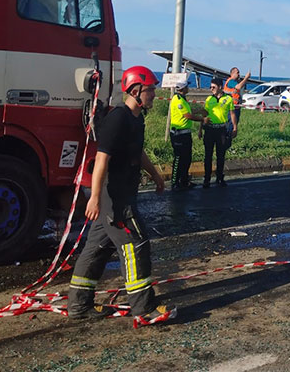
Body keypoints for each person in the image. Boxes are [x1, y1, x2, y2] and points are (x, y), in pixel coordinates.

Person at [68, 66, 175, 327]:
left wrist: (156, 176)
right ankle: (144, 307)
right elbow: (101, 160)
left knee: (96, 249)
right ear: (136, 91)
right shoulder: (118, 118)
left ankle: (79, 305)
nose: (154, 95)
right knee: (136, 244)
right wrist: (94, 198)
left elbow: (137, 152)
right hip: (115, 198)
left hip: (121, 195)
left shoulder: (137, 119)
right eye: (150, 90)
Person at [168, 83, 204, 190]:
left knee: (187, 158)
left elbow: (188, 112)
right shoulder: (178, 99)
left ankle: (184, 181)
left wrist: (199, 111)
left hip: (185, 133)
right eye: (187, 86)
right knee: (179, 158)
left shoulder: (183, 99)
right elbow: (187, 116)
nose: (188, 88)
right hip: (178, 134)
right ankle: (174, 182)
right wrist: (202, 119)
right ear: (183, 89)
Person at [202, 77, 237, 188]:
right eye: (210, 87)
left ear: (220, 87)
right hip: (209, 129)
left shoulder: (228, 99)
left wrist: (235, 127)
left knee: (220, 155)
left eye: (214, 87)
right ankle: (206, 179)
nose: (211, 89)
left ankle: (219, 178)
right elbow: (204, 115)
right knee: (208, 155)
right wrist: (200, 129)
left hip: (221, 130)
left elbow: (232, 114)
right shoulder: (209, 99)